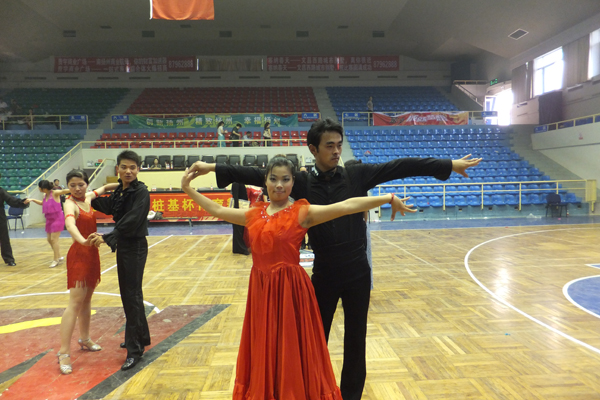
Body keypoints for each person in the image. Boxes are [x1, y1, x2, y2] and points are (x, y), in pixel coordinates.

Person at [188, 118, 481, 400]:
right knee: (312, 341)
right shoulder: (301, 182)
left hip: (357, 271)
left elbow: (400, 166)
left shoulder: (357, 174)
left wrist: (448, 165)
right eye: (329, 146)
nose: (337, 151)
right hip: (324, 272)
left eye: (339, 145)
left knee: (356, 340)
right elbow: (254, 174)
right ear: (313, 149)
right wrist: (210, 167)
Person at [181, 155, 415, 400]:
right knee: (266, 345)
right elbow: (218, 210)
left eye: (285, 179)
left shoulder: (302, 213)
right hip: (261, 290)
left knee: (291, 347)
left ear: (293, 183)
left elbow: (346, 206)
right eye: (274, 179)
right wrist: (188, 189)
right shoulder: (253, 214)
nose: (279, 185)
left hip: (291, 292)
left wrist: (388, 198)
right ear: (265, 181)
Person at [90, 150, 151, 371]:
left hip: (135, 247)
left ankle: (134, 350)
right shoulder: (120, 191)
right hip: (125, 246)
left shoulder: (141, 192)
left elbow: (132, 220)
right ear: (118, 168)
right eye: (124, 167)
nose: (128, 171)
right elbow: (108, 206)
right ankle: (141, 337)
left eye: (132, 167)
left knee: (131, 296)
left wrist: (108, 236)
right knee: (130, 294)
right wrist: (85, 196)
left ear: (138, 169)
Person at [56, 170, 118, 374]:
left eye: (80, 184)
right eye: (72, 185)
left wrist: (128, 186)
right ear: (68, 186)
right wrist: (82, 241)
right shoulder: (69, 204)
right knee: (75, 303)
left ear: (86, 184)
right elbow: (69, 224)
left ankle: (84, 338)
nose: (77, 188)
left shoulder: (89, 198)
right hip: (79, 255)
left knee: (87, 300)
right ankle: (63, 352)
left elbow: (106, 187)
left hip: (92, 254)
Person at [28, 180, 70, 267]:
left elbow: (66, 191)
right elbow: (42, 203)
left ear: (43, 188)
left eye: (39, 187)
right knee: (49, 239)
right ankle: (59, 255)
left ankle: (56, 259)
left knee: (54, 239)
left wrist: (75, 188)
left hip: (57, 218)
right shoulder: (44, 195)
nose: (39, 188)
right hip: (49, 219)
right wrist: (32, 200)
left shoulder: (55, 193)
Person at [0, 173, 31, 266]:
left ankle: (9, 259)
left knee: (4, 238)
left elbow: (11, 200)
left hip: (0, 217)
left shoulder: (1, 191)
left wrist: (22, 202)